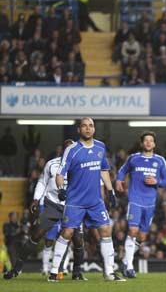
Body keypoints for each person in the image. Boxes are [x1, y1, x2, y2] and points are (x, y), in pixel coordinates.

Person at [47, 118, 125, 282]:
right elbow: (60, 174)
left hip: (95, 201)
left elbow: (104, 170)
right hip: (75, 201)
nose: (88, 129)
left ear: (94, 129)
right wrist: (61, 190)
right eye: (84, 126)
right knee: (67, 232)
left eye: (91, 126)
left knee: (106, 230)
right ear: (79, 130)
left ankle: (109, 272)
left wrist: (110, 192)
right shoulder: (72, 149)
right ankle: (54, 271)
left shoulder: (100, 147)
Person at [3, 140, 88, 280]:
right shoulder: (51, 164)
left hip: (73, 207)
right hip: (53, 205)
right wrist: (36, 199)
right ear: (62, 151)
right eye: (67, 149)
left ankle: (77, 272)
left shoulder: (80, 166)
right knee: (36, 234)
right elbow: (42, 182)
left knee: (78, 239)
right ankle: (16, 269)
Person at [115, 131, 166, 278]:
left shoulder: (160, 161)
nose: (148, 143)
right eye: (145, 140)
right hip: (135, 200)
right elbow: (122, 171)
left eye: (150, 140)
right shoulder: (133, 158)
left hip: (150, 203)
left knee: (142, 237)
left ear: (154, 144)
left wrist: (156, 182)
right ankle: (130, 267)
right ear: (142, 143)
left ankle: (125, 260)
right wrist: (118, 180)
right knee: (133, 231)